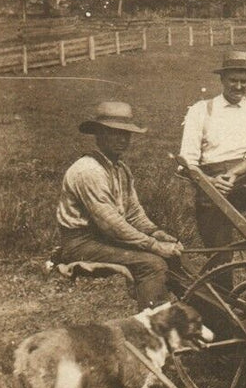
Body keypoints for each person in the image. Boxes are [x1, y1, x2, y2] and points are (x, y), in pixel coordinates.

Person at [54, 101, 184, 310]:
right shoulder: (88, 171)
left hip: (106, 239)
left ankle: (211, 316)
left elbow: (133, 214)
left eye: (126, 134)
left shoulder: (121, 169)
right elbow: (111, 224)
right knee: (152, 264)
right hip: (82, 243)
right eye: (113, 133)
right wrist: (153, 245)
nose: (122, 139)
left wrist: (157, 232)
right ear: (98, 134)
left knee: (175, 258)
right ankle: (153, 329)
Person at [179, 50, 246, 246]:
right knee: (220, 263)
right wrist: (210, 182)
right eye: (233, 80)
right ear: (222, 79)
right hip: (210, 185)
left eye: (244, 81)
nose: (238, 86)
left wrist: (233, 173)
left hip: (244, 182)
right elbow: (187, 161)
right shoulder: (200, 109)